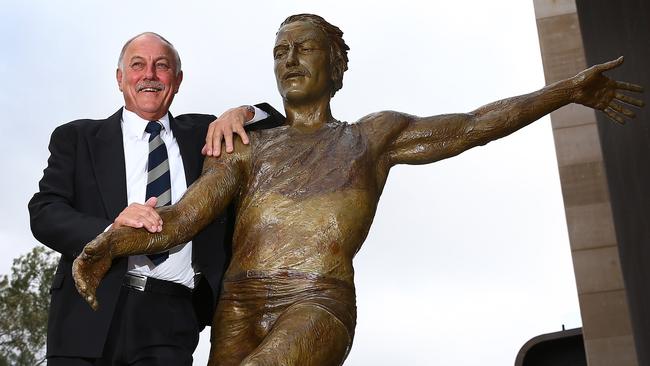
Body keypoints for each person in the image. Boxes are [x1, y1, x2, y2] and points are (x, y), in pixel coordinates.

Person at [73, 14, 645, 366]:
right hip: (238, 306)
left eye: (303, 47)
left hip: (315, 301)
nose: (289, 60)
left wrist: (566, 92)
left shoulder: (373, 137)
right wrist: (104, 244)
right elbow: (178, 221)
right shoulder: (246, 146)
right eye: (279, 52)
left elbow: (471, 125)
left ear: (337, 65)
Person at [28, 32, 283, 365]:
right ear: (120, 78)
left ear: (176, 81)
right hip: (88, 311)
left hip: (171, 317)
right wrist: (111, 231)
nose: (149, 74)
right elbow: (44, 212)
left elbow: (281, 126)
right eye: (137, 65)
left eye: (161, 66)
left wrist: (242, 113)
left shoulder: (206, 135)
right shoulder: (77, 138)